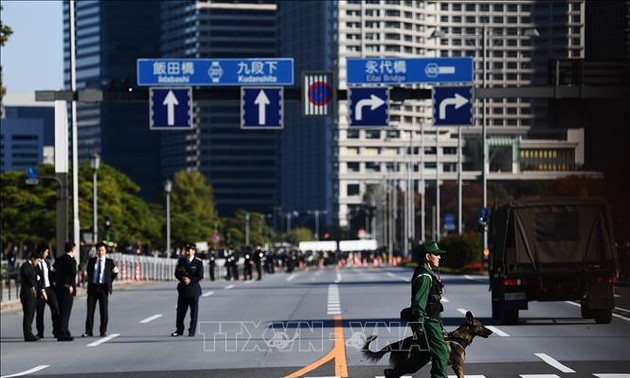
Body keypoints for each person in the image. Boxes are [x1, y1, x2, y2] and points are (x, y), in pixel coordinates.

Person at [385, 241, 449, 378]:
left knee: (425, 354)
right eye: (436, 254)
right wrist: (419, 325)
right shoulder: (425, 277)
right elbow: (419, 303)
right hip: (428, 322)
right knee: (441, 353)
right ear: (427, 256)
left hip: (430, 321)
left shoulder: (426, 273)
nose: (439, 257)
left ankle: (394, 373)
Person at [82, 242, 119, 337]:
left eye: (102, 250)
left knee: (103, 310)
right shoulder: (92, 260)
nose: (100, 252)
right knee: (90, 310)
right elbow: (88, 272)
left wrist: (109, 281)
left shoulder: (109, 262)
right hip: (93, 287)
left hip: (103, 288)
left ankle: (103, 330)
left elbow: (115, 271)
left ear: (105, 251)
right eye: (98, 250)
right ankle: (88, 331)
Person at [171, 244, 204, 337]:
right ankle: (179, 329)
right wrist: (182, 279)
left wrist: (190, 280)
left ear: (193, 251)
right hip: (183, 289)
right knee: (180, 311)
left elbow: (200, 275)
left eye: (189, 250)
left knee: (193, 312)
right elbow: (177, 273)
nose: (187, 252)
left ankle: (192, 330)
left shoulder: (198, 262)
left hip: (193, 289)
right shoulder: (181, 261)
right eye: (186, 250)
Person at [54, 241, 78, 341]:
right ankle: (63, 333)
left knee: (60, 310)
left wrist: (56, 282)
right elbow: (73, 274)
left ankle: (61, 330)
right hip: (67, 289)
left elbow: (52, 271)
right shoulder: (71, 261)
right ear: (72, 249)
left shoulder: (59, 259)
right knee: (65, 312)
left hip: (58, 288)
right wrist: (71, 285)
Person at [35, 244, 60, 339]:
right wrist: (41, 290)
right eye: (46, 252)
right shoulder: (36, 263)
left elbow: (50, 275)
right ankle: (40, 332)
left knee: (55, 309)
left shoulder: (46, 263)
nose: (47, 253)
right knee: (40, 312)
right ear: (41, 252)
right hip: (41, 290)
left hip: (49, 289)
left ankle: (56, 331)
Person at [20, 252, 42, 341]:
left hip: (32, 295)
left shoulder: (33, 267)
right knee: (28, 315)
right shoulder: (25, 266)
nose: (37, 263)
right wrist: (32, 286)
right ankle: (27, 334)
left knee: (31, 314)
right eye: (37, 260)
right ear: (33, 258)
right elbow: (27, 277)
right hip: (27, 294)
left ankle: (29, 333)